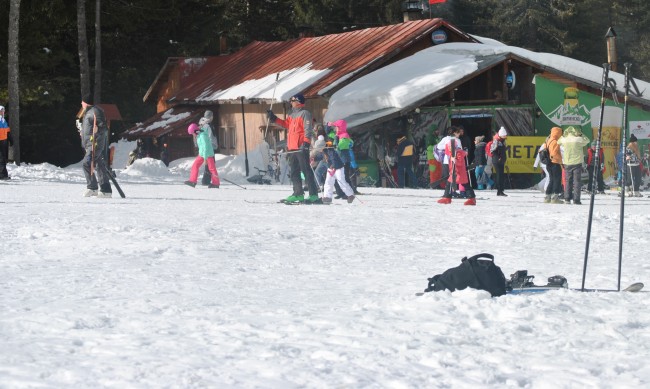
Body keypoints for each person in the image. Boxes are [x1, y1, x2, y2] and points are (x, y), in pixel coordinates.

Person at [267, 93, 320, 204]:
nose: (291, 103)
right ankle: (298, 194)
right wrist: (274, 118)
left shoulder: (305, 114)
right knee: (294, 172)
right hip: (292, 147)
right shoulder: (291, 115)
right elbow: (286, 124)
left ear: (298, 102)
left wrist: (306, 143)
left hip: (301, 147)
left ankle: (313, 194)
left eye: (292, 101)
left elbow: (308, 129)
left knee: (306, 170)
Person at [79, 94, 112, 197]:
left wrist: (98, 129)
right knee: (99, 165)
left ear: (86, 102)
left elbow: (104, 127)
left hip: (95, 144)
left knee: (86, 163)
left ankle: (92, 188)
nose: (81, 103)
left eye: (82, 102)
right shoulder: (88, 112)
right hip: (90, 144)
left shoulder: (96, 111)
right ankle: (106, 190)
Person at [437, 126, 476, 205]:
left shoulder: (457, 147)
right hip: (454, 167)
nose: (460, 134)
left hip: (458, 168)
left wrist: (455, 159)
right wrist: (452, 157)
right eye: (458, 132)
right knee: (449, 182)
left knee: (465, 183)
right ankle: (447, 197)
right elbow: (449, 152)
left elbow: (459, 157)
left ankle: (472, 198)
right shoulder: (451, 141)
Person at [315, 136, 355, 204]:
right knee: (328, 182)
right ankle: (327, 197)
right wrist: (314, 159)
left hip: (338, 167)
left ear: (322, 146)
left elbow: (334, 158)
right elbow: (321, 157)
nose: (319, 150)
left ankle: (350, 195)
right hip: (330, 168)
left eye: (319, 148)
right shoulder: (323, 151)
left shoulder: (330, 150)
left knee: (341, 181)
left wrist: (333, 166)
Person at [557, 126, 590, 204]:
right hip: (577, 162)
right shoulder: (578, 139)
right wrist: (581, 134)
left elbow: (558, 142)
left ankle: (567, 199)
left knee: (568, 181)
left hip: (567, 162)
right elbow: (587, 140)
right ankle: (576, 200)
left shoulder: (564, 139)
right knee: (577, 182)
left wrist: (564, 135)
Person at [184, 122, 221, 188]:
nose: (193, 135)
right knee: (195, 166)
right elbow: (201, 147)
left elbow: (205, 147)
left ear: (195, 131)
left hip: (208, 154)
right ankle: (193, 181)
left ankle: (216, 183)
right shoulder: (199, 135)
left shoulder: (203, 135)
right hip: (202, 154)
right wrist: (201, 154)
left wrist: (205, 158)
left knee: (211, 168)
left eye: (192, 133)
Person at [543, 127, 564, 203]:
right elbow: (554, 154)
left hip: (549, 163)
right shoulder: (555, 141)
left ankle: (547, 197)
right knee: (557, 180)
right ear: (558, 133)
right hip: (555, 162)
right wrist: (561, 161)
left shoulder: (548, 140)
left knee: (551, 180)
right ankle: (555, 198)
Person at [199, 110, 219, 186]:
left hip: (204, 147)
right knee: (211, 165)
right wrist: (213, 146)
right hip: (209, 148)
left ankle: (206, 180)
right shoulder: (208, 126)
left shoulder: (202, 124)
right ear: (210, 117)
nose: (212, 117)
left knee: (208, 164)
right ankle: (207, 181)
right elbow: (210, 137)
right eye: (212, 116)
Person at [490, 126, 508, 196]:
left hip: (501, 160)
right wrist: (498, 157)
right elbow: (493, 150)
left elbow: (502, 150)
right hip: (497, 160)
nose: (505, 136)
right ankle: (499, 190)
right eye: (504, 135)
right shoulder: (496, 141)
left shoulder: (503, 141)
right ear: (501, 135)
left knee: (501, 175)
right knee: (499, 175)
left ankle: (501, 190)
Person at [0, 105, 13, 180]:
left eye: (3, 111)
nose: (2, 112)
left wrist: (10, 138)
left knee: (3, 158)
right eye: (1, 111)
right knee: (1, 158)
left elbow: (7, 130)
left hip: (3, 141)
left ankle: (4, 174)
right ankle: (2, 175)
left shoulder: (3, 120)